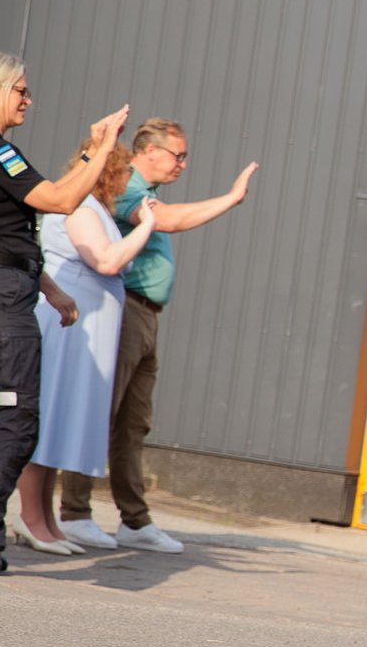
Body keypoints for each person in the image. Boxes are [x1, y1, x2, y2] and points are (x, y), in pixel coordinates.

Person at [0, 52, 127, 575]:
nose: (29, 100)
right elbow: (57, 199)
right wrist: (102, 151)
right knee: (18, 416)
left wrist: (48, 286)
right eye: (21, 91)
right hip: (0, 297)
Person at [56, 118, 258, 554]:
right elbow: (165, 222)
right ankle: (74, 512)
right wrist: (230, 199)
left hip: (146, 316)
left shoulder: (146, 191)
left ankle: (134, 520)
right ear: (149, 151)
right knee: (102, 413)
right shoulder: (129, 187)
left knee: (133, 422)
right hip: (125, 310)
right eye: (177, 155)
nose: (183, 164)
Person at [11, 139, 155, 554]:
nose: (129, 180)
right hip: (69, 328)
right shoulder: (81, 207)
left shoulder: (96, 208)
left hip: (83, 332)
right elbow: (106, 261)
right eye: (126, 171)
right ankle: (30, 517)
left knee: (61, 424)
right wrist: (146, 225)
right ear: (110, 171)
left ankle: (47, 520)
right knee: (50, 419)